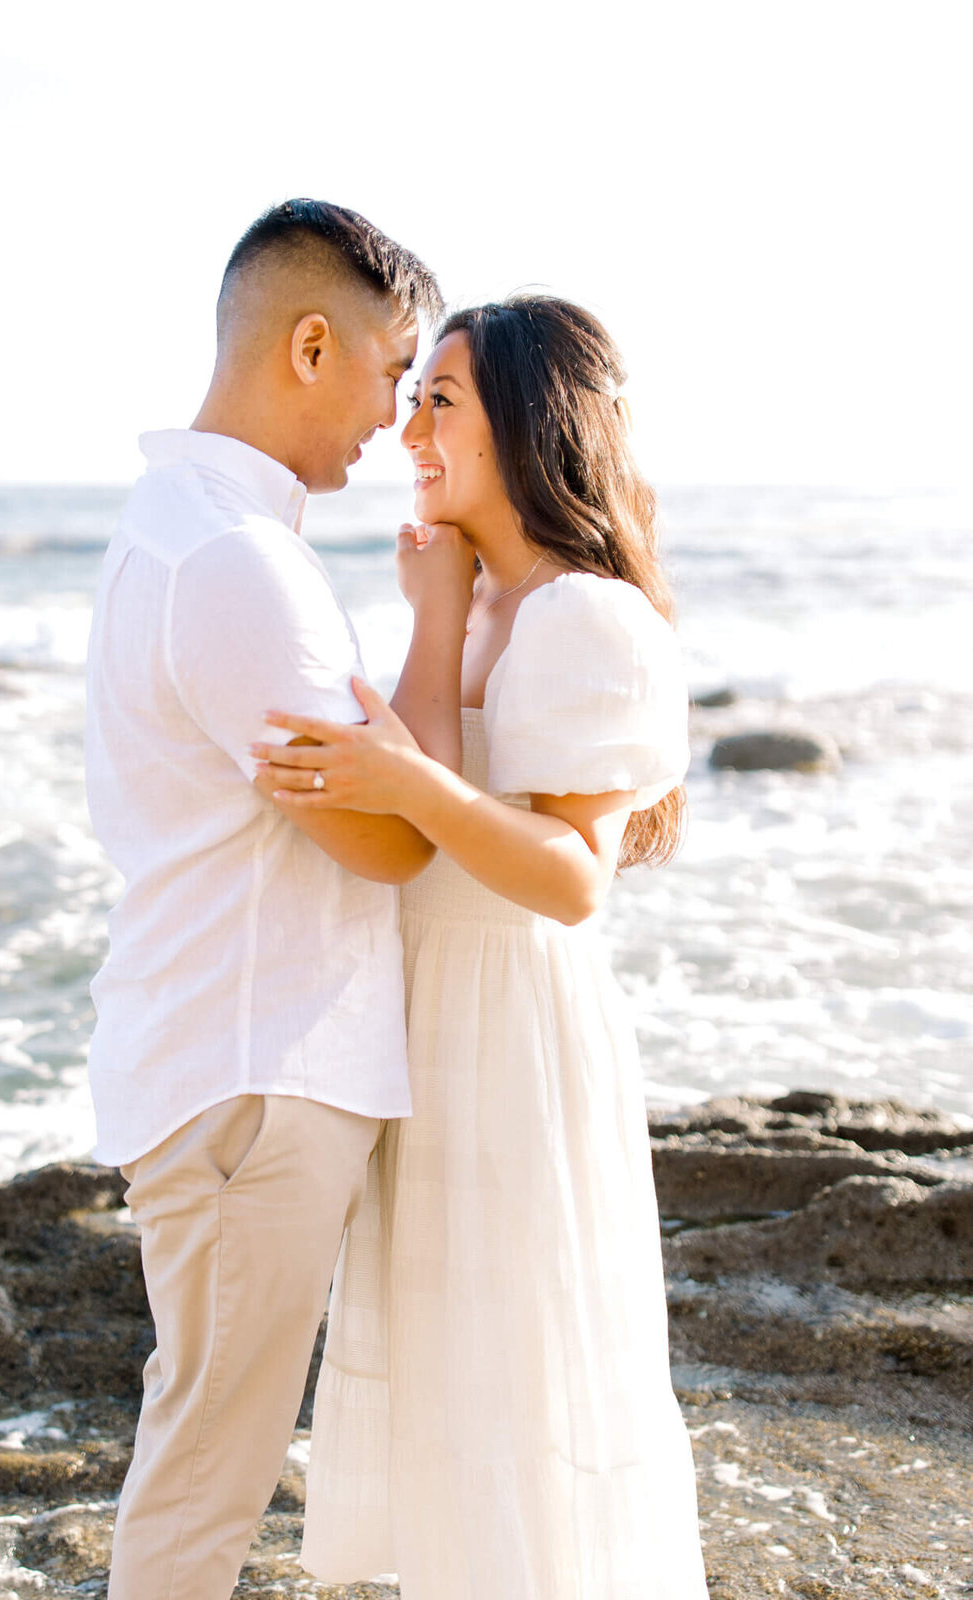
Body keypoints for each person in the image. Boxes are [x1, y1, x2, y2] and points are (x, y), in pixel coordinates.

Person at [250, 296, 710, 1598]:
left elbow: (571, 881)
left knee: (517, 1366)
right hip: (423, 1021)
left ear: (529, 419)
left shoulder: (585, 617)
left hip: (510, 1029)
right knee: (444, 1371)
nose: (408, 429)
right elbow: (424, 793)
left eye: (440, 400)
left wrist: (398, 773)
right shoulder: (487, 601)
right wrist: (434, 609)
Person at [82, 198, 442, 1600]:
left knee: (212, 1456)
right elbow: (386, 846)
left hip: (240, 1056)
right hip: (252, 1071)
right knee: (206, 1483)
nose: (394, 415)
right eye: (388, 370)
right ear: (309, 344)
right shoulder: (231, 561)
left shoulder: (196, 533)